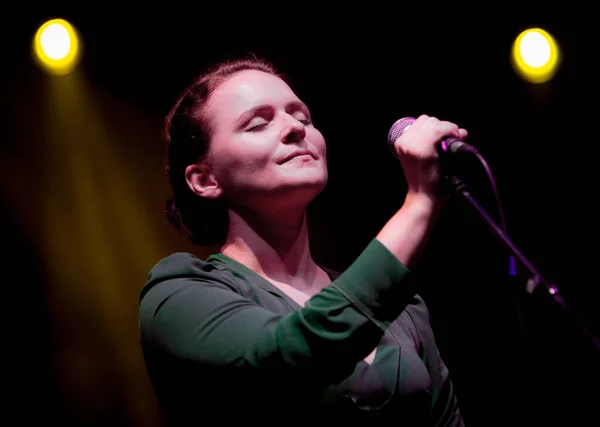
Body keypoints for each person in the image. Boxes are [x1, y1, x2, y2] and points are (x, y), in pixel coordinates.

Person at [139, 56, 468, 426]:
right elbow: (292, 354)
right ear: (205, 180)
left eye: (303, 117)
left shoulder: (402, 307)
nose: (295, 129)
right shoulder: (179, 295)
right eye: (259, 124)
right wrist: (421, 201)